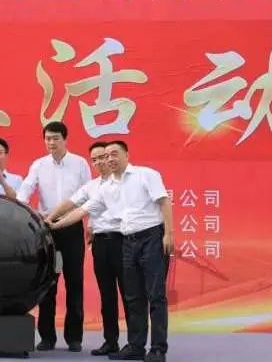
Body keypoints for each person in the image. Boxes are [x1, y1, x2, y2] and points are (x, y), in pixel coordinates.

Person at [52, 140, 173, 362]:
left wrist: (168, 234)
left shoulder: (145, 175)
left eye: (114, 154)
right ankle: (136, 347)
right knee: (133, 297)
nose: (109, 159)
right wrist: (53, 225)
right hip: (127, 242)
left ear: (127, 154)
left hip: (152, 238)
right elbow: (81, 210)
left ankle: (158, 348)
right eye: (106, 156)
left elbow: (164, 202)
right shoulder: (105, 188)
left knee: (156, 296)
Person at [44, 141, 128, 356]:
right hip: (100, 242)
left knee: (130, 294)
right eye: (95, 159)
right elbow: (72, 204)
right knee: (107, 295)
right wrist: (51, 220)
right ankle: (111, 341)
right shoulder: (92, 187)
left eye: (104, 157)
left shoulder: (129, 181)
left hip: (125, 241)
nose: (100, 162)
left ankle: (135, 343)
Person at [16, 121, 91, 352]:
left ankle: (74, 338)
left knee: (74, 283)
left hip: (72, 227)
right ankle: (47, 337)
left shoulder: (80, 163)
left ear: (65, 139)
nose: (51, 142)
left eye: (56, 138)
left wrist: (91, 225)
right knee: (47, 283)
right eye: (47, 138)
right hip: (47, 229)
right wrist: (20, 208)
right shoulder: (39, 165)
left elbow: (91, 195)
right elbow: (25, 189)